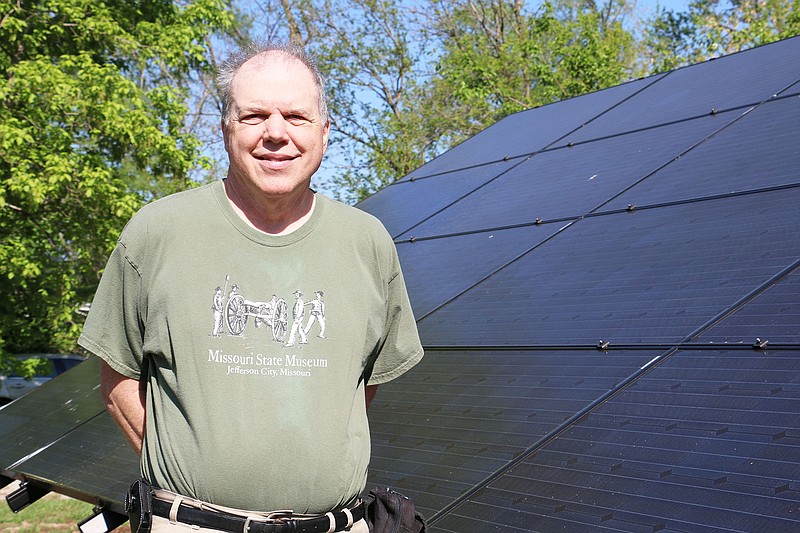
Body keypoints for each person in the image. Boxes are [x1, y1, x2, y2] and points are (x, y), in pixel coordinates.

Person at [78, 41, 423, 533]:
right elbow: (117, 378)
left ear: (325, 133)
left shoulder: (367, 243)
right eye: (254, 115)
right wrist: (190, 476)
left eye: (296, 117)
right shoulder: (158, 233)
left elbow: (357, 386)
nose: (276, 134)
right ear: (225, 129)